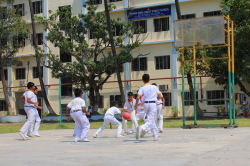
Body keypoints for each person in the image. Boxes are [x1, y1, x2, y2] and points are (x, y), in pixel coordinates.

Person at [135, 74, 163, 141]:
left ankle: (156, 135)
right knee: (151, 120)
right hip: (153, 104)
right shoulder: (154, 87)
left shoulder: (142, 88)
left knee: (151, 119)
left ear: (142, 80)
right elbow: (160, 96)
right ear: (149, 79)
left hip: (145, 104)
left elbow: (138, 97)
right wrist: (155, 98)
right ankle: (142, 128)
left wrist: (136, 107)